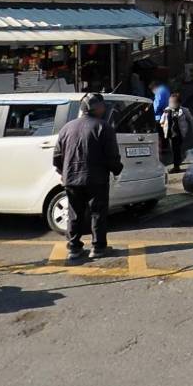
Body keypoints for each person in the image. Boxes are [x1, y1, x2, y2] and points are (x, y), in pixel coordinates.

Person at [52, 92, 123, 261]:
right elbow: (111, 155)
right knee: (97, 213)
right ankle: (98, 247)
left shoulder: (67, 127)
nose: (104, 108)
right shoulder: (103, 127)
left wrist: (64, 173)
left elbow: (57, 156)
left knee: (75, 213)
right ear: (96, 108)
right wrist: (116, 169)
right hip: (96, 179)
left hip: (71, 179)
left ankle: (74, 248)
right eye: (102, 105)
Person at [159, 92, 193, 172]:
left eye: (173, 102)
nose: (171, 104)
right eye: (170, 102)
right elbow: (162, 120)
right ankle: (177, 161)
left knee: (176, 149)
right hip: (170, 133)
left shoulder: (184, 110)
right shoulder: (167, 110)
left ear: (179, 103)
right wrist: (163, 126)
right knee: (174, 149)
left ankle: (176, 167)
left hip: (179, 133)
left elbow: (191, 119)